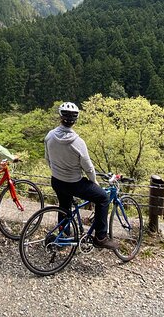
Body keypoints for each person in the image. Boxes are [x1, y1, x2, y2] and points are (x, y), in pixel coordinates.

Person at [44, 102, 119, 250]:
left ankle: (63, 235)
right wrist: (94, 182)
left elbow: (48, 159)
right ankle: (101, 237)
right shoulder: (78, 142)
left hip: (57, 180)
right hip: (74, 183)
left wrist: (58, 171)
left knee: (64, 206)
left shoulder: (50, 136)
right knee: (103, 198)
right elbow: (88, 167)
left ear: (60, 117)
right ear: (75, 120)